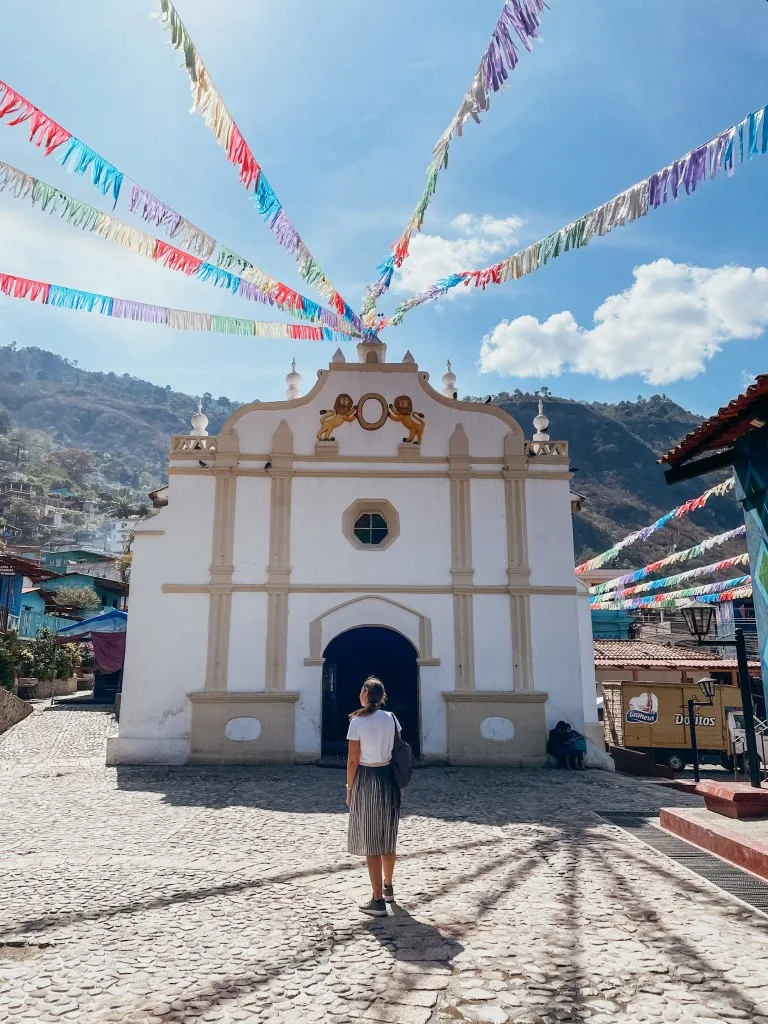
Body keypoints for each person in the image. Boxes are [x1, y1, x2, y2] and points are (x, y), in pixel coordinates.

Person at [346, 676, 402, 917]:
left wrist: (349, 788)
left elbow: (352, 760)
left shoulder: (357, 722)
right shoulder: (391, 719)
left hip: (367, 778)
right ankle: (388, 888)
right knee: (388, 837)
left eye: (362, 689)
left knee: (371, 841)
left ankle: (377, 900)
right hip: (389, 778)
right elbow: (398, 748)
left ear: (366, 694)